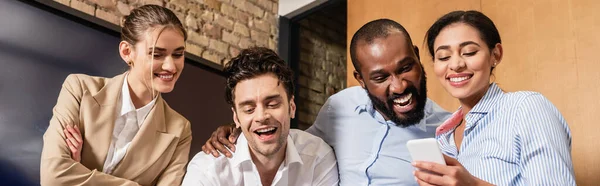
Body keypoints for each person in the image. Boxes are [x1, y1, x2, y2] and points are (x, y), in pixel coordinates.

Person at [202, 19, 452, 185]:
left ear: (418, 58)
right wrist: (239, 132)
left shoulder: (448, 132)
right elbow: (289, 143)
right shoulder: (339, 107)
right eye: (380, 77)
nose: (399, 86)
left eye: (406, 68)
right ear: (361, 80)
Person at [412, 10, 575, 185]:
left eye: (469, 52)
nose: (456, 64)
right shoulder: (444, 136)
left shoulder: (526, 108)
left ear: (495, 54)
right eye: (443, 56)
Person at [40, 5, 192, 185]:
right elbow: (54, 176)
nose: (171, 67)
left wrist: (78, 171)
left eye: (178, 54)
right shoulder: (80, 89)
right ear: (127, 52)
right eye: (157, 54)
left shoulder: (180, 130)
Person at [182, 47, 338, 186]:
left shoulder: (317, 158)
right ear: (236, 118)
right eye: (249, 109)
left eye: (272, 104)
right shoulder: (208, 169)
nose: (261, 116)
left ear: (291, 107)